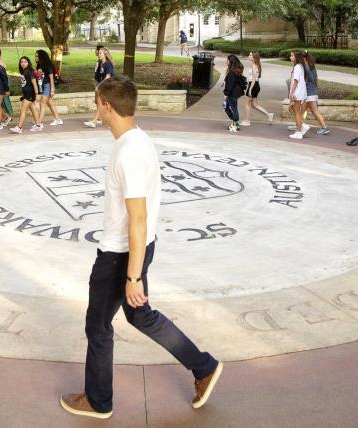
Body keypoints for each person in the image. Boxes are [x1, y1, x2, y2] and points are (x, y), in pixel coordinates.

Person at [59, 76, 223, 419]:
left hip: (121, 255)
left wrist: (132, 276)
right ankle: (203, 367)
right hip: (138, 248)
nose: (95, 109)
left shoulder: (129, 153)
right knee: (140, 315)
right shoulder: (136, 139)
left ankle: (98, 401)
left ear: (106, 106)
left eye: (96, 103)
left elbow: (137, 217)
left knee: (98, 326)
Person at [289, 51, 331, 135]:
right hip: (313, 90)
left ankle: (324, 127)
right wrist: (316, 89)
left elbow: (302, 80)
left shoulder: (304, 67)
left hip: (309, 92)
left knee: (314, 110)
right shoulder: (311, 66)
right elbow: (316, 78)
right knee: (303, 110)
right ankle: (299, 124)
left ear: (303, 58)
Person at [239, 51, 274, 127]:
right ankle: (269, 115)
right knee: (254, 104)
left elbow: (254, 78)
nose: (249, 56)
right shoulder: (256, 65)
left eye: (250, 55)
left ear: (254, 57)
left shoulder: (254, 65)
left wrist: (250, 89)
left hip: (253, 85)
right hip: (256, 85)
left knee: (246, 103)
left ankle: (247, 121)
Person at [83, 47, 115, 128]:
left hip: (109, 86)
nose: (99, 54)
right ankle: (110, 122)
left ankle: (94, 122)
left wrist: (99, 86)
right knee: (104, 104)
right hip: (104, 86)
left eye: (101, 53)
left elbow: (108, 77)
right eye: (99, 53)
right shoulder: (101, 63)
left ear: (105, 54)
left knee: (101, 103)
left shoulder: (108, 64)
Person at [9, 56, 41, 134]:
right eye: (21, 62)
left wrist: (36, 94)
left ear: (28, 63)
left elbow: (34, 83)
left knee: (23, 109)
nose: (23, 63)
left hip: (30, 93)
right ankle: (38, 125)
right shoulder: (24, 71)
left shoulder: (30, 71)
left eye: (25, 62)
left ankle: (19, 127)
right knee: (32, 109)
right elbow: (25, 84)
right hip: (27, 93)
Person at [34, 49, 63, 130]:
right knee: (50, 103)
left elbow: (51, 78)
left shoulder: (48, 65)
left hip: (48, 86)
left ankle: (39, 122)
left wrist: (52, 90)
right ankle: (58, 119)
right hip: (42, 86)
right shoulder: (39, 65)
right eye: (35, 56)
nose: (35, 58)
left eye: (37, 56)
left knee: (42, 103)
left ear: (41, 57)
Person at [287, 50, 308, 140]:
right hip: (300, 92)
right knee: (295, 110)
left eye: (292, 56)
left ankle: (299, 132)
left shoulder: (297, 67)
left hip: (297, 93)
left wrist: (291, 93)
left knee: (296, 112)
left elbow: (295, 81)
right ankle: (302, 126)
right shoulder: (300, 66)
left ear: (296, 57)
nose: (290, 57)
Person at [222, 54, 245, 133]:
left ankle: (235, 125)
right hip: (234, 93)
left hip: (232, 93)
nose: (226, 61)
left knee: (233, 109)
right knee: (226, 107)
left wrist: (226, 94)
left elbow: (230, 85)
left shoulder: (232, 72)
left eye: (227, 60)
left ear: (231, 61)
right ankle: (235, 122)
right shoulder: (235, 70)